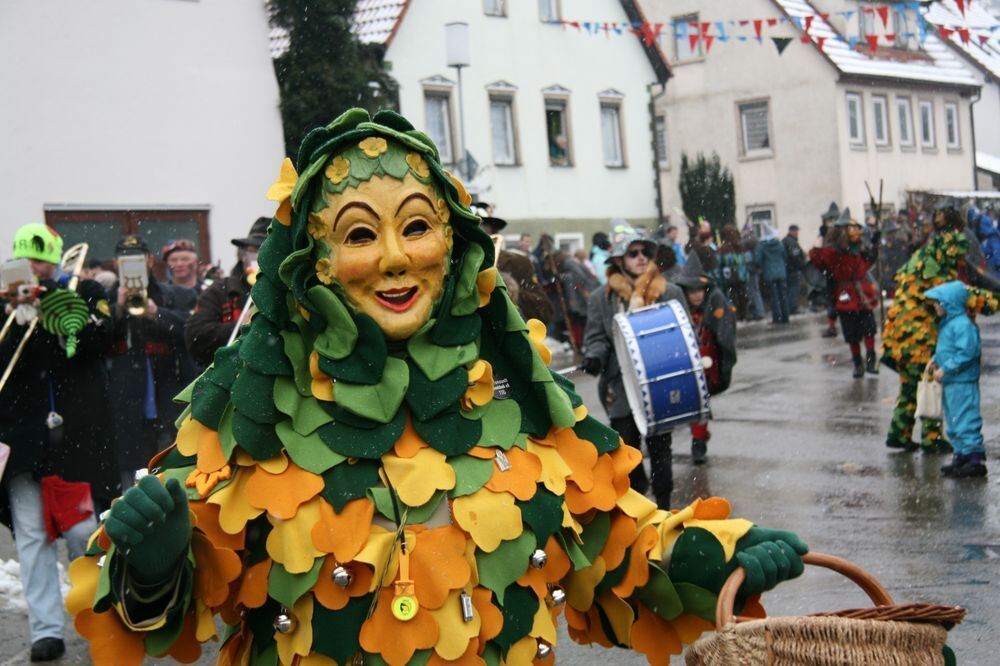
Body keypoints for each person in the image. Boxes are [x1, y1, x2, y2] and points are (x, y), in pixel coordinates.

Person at [67, 108, 807, 665]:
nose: (393, 258)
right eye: (359, 235)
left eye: (416, 227)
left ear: (451, 244)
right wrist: (155, 568)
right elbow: (160, 615)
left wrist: (705, 556)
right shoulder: (255, 408)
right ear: (314, 261)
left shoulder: (514, 395)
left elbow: (612, 547)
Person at [0, 224, 118, 662]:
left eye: (42, 260)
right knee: (31, 537)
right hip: (21, 440)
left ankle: (94, 616)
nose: (35, 268)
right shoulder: (3, 301)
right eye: (26, 261)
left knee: (83, 533)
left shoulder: (82, 289)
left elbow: (98, 337)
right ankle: (46, 632)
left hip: (75, 440)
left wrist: (48, 302)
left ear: (55, 260)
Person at [881, 200, 1000, 452]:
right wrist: (992, 300)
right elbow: (958, 294)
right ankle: (931, 438)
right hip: (918, 336)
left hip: (900, 335)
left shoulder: (922, 257)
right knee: (929, 384)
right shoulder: (939, 267)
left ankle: (899, 433)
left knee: (912, 385)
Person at [583, 231, 683, 507]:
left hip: (658, 382)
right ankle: (638, 503)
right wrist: (594, 356)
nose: (641, 258)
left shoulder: (669, 292)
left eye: (645, 253)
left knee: (661, 449)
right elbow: (596, 338)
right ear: (619, 259)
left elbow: (684, 335)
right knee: (626, 449)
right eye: (633, 253)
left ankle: (663, 507)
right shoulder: (601, 299)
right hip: (621, 385)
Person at [108, 235, 199, 490]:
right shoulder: (106, 295)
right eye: (124, 260)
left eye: (137, 259)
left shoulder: (177, 294)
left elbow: (191, 330)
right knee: (132, 466)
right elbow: (94, 341)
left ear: (149, 261)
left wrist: (155, 313)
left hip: (167, 388)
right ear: (116, 264)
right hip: (128, 394)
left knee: (169, 460)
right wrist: (117, 308)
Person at [674, 251, 738, 465]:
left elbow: (724, 332)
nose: (697, 295)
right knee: (692, 403)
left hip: (707, 363)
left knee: (700, 402)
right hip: (685, 364)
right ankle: (699, 436)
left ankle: (698, 442)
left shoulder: (714, 304)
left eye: (700, 290)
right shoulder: (678, 310)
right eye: (692, 291)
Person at [184, 218, 267, 367]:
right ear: (243, 256)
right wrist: (240, 325)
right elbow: (195, 337)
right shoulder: (220, 291)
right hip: (228, 377)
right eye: (254, 251)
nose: (260, 257)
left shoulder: (288, 292)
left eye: (267, 250)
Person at [926, 282, 988, 478]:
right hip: (952, 381)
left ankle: (975, 459)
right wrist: (936, 360)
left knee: (965, 419)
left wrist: (947, 368)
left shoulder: (962, 325)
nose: (936, 306)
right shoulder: (949, 323)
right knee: (953, 421)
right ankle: (961, 455)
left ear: (949, 303)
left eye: (938, 303)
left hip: (962, 381)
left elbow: (967, 353)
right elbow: (948, 348)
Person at [808, 209, 879, 378]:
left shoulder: (859, 250)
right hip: (846, 295)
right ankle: (857, 364)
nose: (855, 233)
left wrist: (875, 245)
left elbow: (868, 263)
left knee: (869, 329)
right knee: (852, 333)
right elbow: (815, 257)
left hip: (864, 295)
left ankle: (870, 360)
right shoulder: (833, 253)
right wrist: (821, 241)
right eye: (850, 229)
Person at [478, 213, 553, 327]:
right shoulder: (452, 263)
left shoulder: (518, 263)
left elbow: (545, 311)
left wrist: (515, 293)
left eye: (481, 228)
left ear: (494, 233)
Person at [754, 223, 789, 324]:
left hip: (770, 274)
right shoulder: (780, 244)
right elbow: (785, 256)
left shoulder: (762, 246)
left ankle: (777, 317)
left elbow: (758, 260)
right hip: (781, 273)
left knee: (774, 297)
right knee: (783, 295)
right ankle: (785, 317)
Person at [818, 202, 841, 337]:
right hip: (831, 271)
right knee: (832, 299)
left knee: (845, 300)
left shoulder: (842, 232)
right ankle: (832, 326)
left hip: (843, 270)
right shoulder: (826, 234)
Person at [718, 225, 748, 320]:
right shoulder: (741, 246)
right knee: (742, 295)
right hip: (741, 275)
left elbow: (722, 262)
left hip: (730, 276)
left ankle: (735, 314)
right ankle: (744, 313)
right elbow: (745, 260)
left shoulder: (724, 248)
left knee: (732, 296)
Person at [782, 224, 806, 315]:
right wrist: (801, 265)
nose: (797, 233)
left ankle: (788, 307)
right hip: (792, 269)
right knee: (794, 289)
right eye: (796, 231)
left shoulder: (784, 241)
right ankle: (792, 307)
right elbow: (795, 256)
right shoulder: (792, 242)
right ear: (791, 231)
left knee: (788, 289)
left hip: (786, 269)